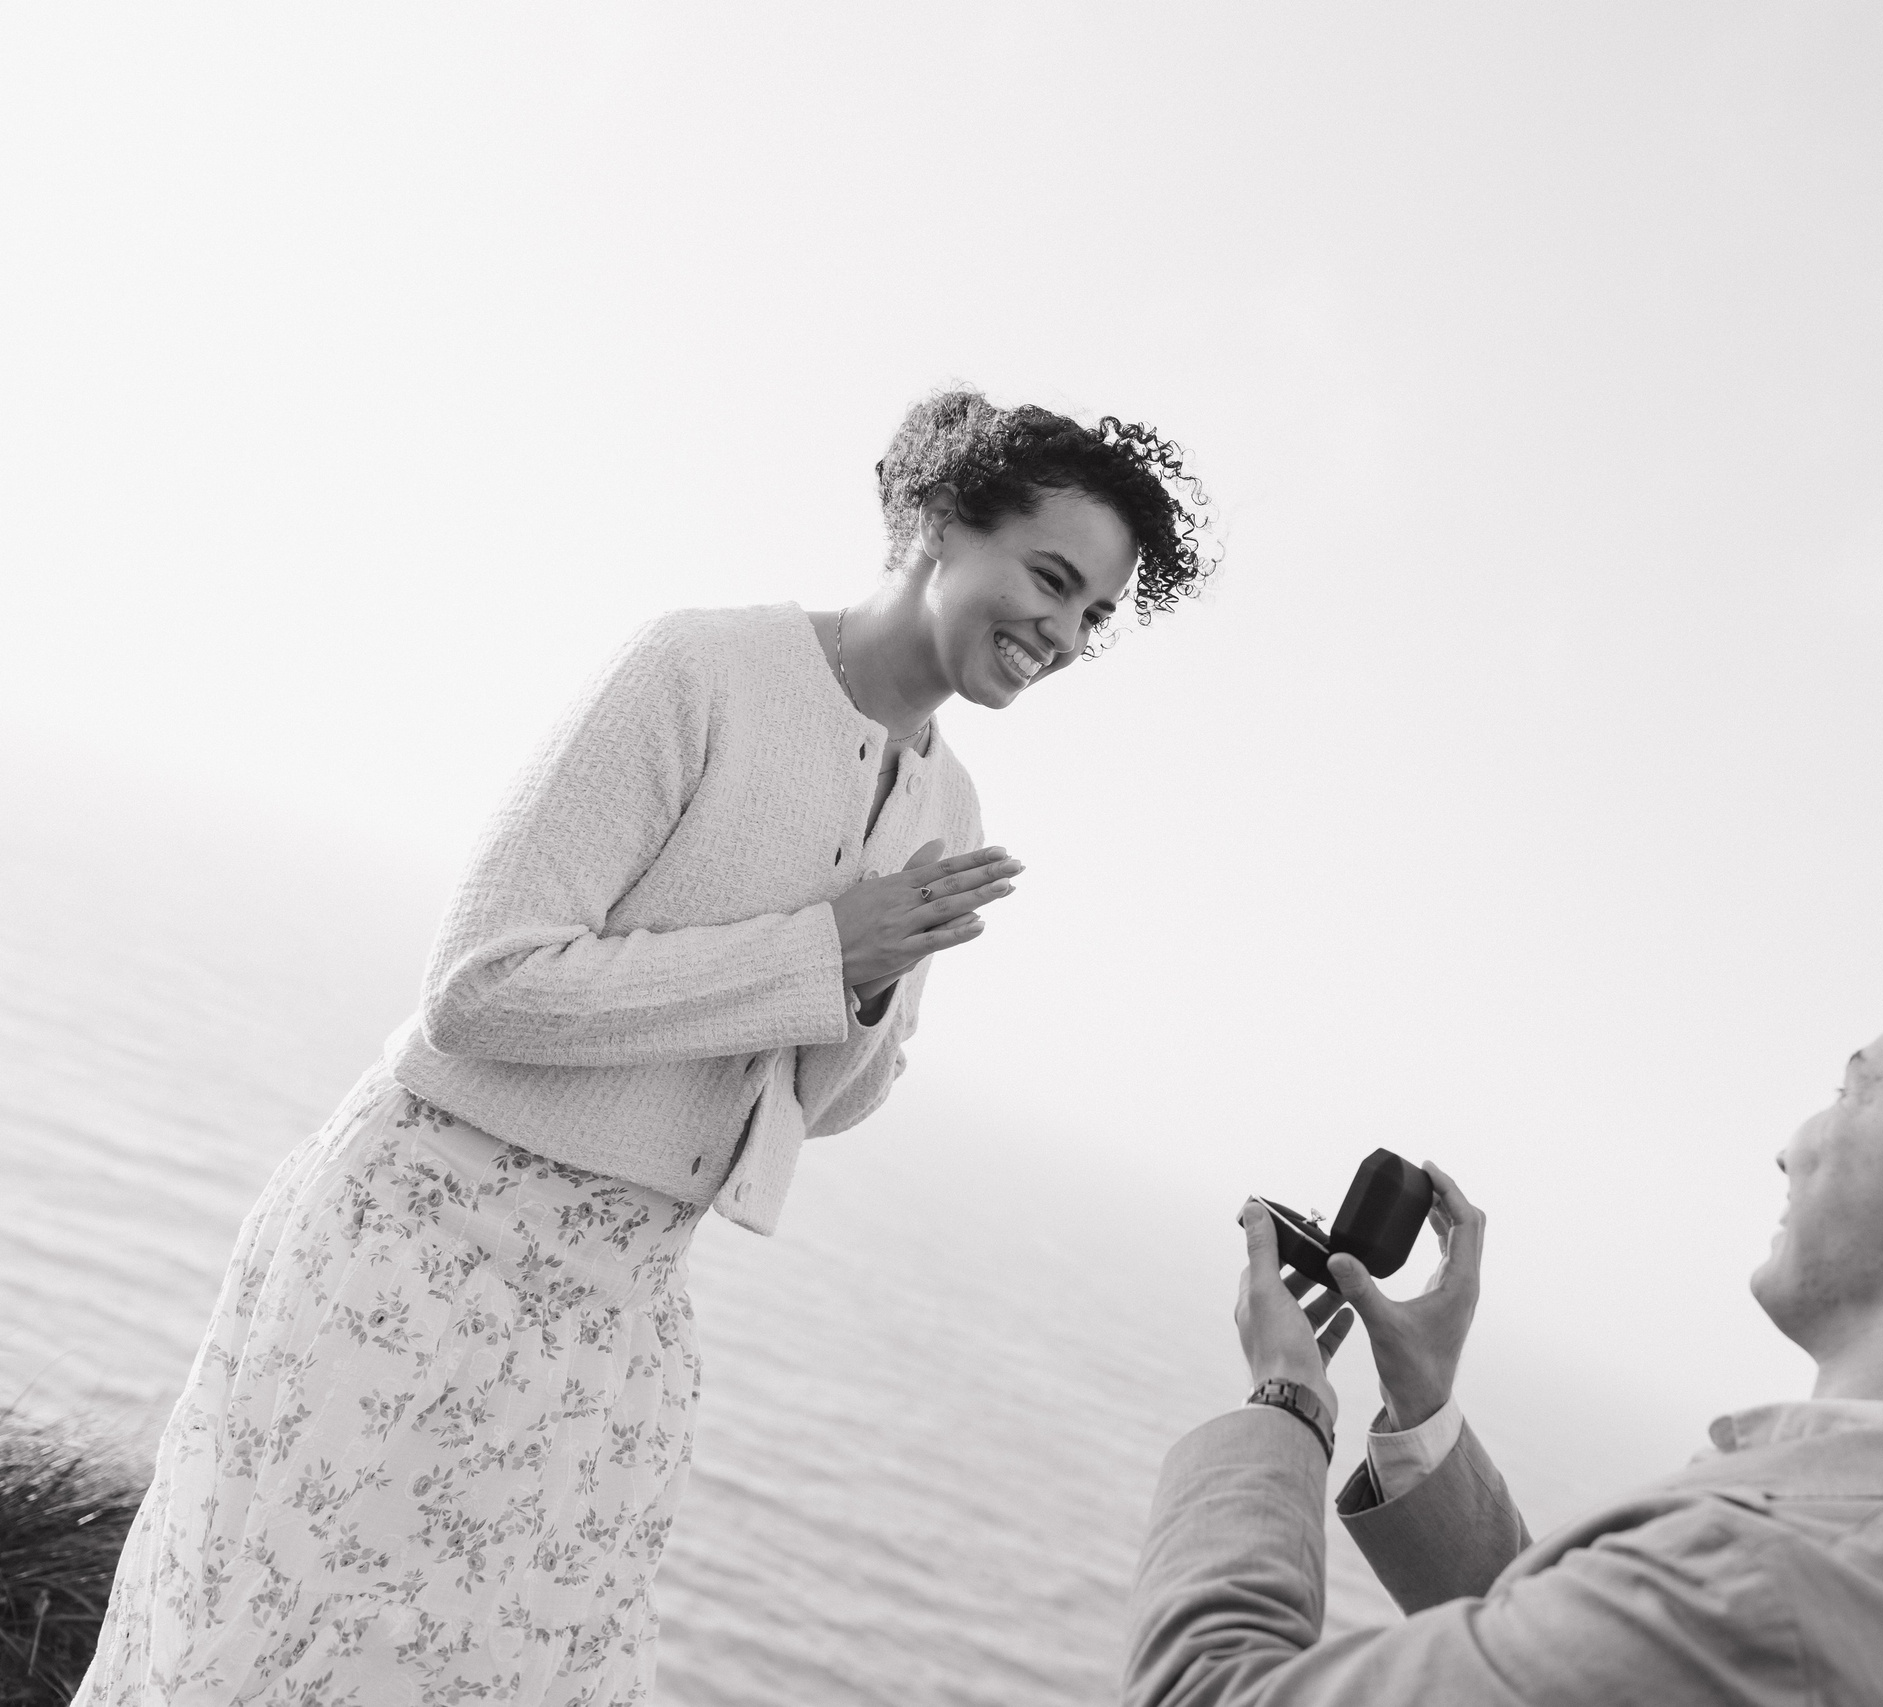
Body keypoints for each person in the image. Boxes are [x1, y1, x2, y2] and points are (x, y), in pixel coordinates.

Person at [77, 388, 1215, 1707]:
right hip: (422, 1249)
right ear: (946, 525)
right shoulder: (701, 668)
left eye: (1093, 614)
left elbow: (820, 1105)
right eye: (1053, 577)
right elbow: (482, 987)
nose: (1065, 631)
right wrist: (817, 952)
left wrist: (855, 994)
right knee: (260, 1661)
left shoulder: (948, 801)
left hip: (618, 1321)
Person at [1125, 878, 1883, 1706]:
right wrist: (1423, 1412)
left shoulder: (1765, 1592)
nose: (1794, 1146)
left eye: (1852, 1092)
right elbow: (1603, 1667)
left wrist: (1285, 1402)